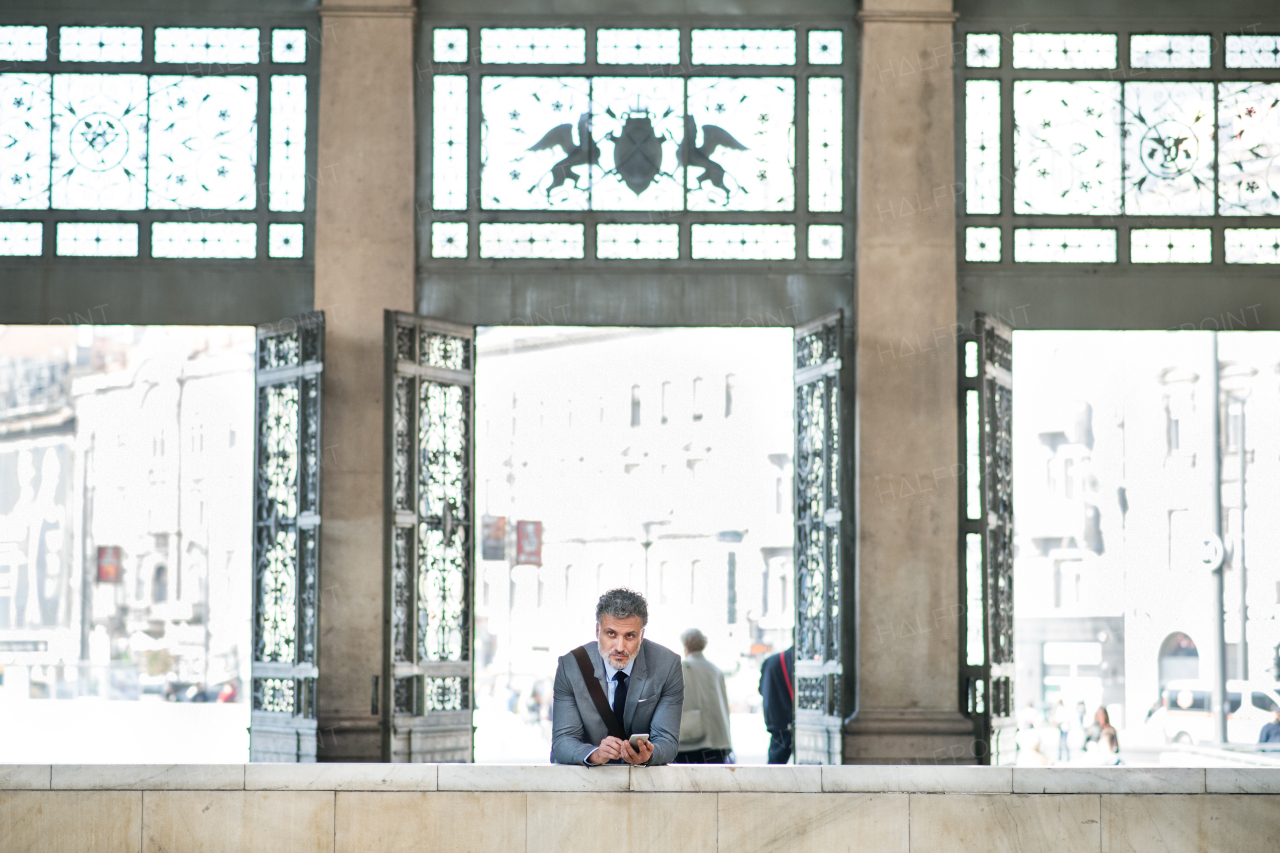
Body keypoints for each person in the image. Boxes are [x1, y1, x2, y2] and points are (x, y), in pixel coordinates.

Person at [550, 588, 684, 765]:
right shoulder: (571, 666)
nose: (620, 647)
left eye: (630, 636)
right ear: (598, 632)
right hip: (585, 778)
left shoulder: (667, 665)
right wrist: (595, 754)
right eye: (611, 634)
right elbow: (562, 741)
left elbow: (667, 740)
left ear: (641, 636)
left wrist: (649, 755)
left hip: (642, 780)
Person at [674, 628, 733, 764]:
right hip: (717, 740)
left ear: (686, 646)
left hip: (689, 741)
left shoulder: (681, 667)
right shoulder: (715, 670)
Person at [758, 646, 794, 764]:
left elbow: (761, 688)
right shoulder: (792, 659)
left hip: (774, 718)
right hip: (785, 719)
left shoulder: (770, 660)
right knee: (777, 762)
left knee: (775, 760)